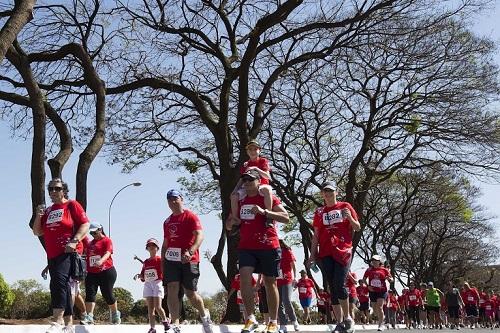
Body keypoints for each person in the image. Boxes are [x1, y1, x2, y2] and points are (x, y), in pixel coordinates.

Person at [225, 169, 290, 333]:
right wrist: (230, 223)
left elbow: (286, 217)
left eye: (251, 180)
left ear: (258, 182)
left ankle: (273, 322)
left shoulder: (266, 197)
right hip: (247, 247)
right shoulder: (240, 200)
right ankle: (251, 318)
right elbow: (230, 223)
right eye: (244, 180)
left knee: (269, 282)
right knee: (244, 278)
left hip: (268, 245)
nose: (247, 183)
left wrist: (264, 212)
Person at [32, 178, 90, 333]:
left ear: (64, 190)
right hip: (52, 254)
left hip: (68, 252)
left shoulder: (72, 205)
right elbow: (37, 231)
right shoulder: (49, 210)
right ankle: (69, 324)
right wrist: (38, 215)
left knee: (58, 283)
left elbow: (86, 224)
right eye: (50, 189)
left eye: (57, 188)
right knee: (62, 285)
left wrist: (74, 240)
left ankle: (57, 320)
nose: (53, 191)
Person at [307, 181, 360, 333]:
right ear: (322, 194)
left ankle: (348, 318)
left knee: (339, 283)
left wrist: (350, 218)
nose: (328, 194)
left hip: (343, 251)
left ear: (336, 192)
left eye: (331, 191)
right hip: (325, 252)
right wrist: (312, 255)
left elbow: (357, 227)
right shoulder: (319, 212)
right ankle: (340, 322)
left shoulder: (345, 206)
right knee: (332, 287)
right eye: (325, 191)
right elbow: (316, 235)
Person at [161, 189, 213, 333]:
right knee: (172, 288)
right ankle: (176, 324)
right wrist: (162, 265)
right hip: (172, 260)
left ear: (181, 199)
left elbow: (200, 236)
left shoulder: (190, 216)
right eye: (169, 199)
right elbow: (165, 244)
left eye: (175, 198)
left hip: (189, 260)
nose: (172, 202)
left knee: (190, 294)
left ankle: (204, 315)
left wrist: (190, 252)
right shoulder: (167, 221)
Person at [81, 222, 121, 325]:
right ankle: (89, 316)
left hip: (106, 271)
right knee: (90, 293)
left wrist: (101, 261)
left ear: (100, 230)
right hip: (92, 273)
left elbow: (108, 253)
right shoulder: (90, 244)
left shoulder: (107, 240)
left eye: (95, 232)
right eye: (91, 233)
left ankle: (115, 313)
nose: (93, 235)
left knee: (107, 294)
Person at [230, 140, 273, 226]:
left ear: (259, 150)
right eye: (250, 149)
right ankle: (236, 221)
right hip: (248, 186)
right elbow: (242, 179)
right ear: (247, 152)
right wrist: (234, 190)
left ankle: (269, 216)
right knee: (233, 196)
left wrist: (256, 169)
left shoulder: (263, 161)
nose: (253, 151)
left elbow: (268, 177)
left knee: (267, 190)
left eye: (255, 149)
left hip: (261, 185)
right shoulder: (245, 164)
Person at [139, 238, 170, 333]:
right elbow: (143, 275)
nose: (151, 247)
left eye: (153, 246)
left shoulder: (160, 259)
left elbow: (164, 272)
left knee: (158, 306)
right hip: (148, 284)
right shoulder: (146, 262)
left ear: (157, 248)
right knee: (150, 308)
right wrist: (141, 276)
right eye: (149, 246)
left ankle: (165, 320)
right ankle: (152, 328)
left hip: (157, 283)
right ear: (147, 248)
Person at [363, 254, 393, 331]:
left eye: (376, 260)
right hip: (372, 291)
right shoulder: (369, 270)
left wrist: (389, 279)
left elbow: (391, 279)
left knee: (380, 307)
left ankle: (380, 324)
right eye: (373, 260)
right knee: (375, 310)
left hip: (382, 291)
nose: (374, 262)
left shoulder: (384, 270)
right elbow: (364, 279)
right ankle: (382, 317)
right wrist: (367, 286)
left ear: (379, 261)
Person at [277, 239, 299, 332]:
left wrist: (295, 277)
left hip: (287, 280)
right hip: (277, 280)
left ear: (281, 243)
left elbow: (293, 265)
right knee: (278, 303)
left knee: (287, 301)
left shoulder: (287, 251)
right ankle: (283, 324)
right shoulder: (273, 252)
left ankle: (294, 320)